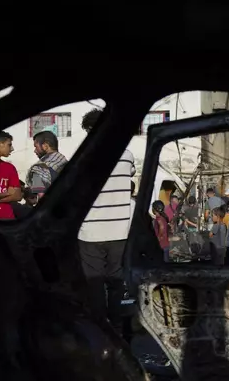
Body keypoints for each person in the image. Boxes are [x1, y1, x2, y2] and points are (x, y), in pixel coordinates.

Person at [77, 108, 136, 334]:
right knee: (115, 282)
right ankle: (118, 327)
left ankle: (100, 329)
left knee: (94, 284)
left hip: (90, 231)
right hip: (119, 230)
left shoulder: (84, 155)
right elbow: (129, 177)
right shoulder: (127, 154)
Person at [26, 130, 68, 198]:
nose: (35, 151)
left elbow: (40, 195)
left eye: (36, 147)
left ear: (45, 146)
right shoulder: (67, 163)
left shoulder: (38, 169)